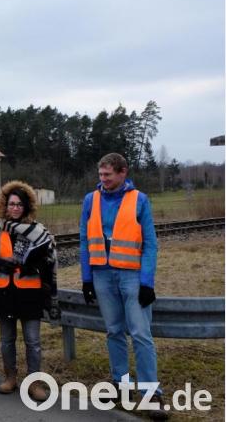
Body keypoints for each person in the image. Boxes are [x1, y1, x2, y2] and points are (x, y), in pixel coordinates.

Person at [80, 153, 166, 420]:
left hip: (131, 276)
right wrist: (86, 278)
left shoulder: (139, 200)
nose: (102, 180)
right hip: (102, 275)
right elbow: (84, 240)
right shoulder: (90, 200)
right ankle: (121, 384)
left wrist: (146, 282)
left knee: (140, 333)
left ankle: (151, 394)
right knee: (114, 331)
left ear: (122, 173)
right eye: (100, 175)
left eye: (108, 175)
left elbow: (151, 243)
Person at [0, 181, 61, 402]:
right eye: (11, 204)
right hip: (4, 292)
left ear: (27, 207)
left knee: (33, 342)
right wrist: (0, 264)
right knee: (7, 339)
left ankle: (34, 382)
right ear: (5, 206)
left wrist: (32, 267)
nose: (15, 208)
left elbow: (48, 261)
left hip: (29, 293)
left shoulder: (38, 231)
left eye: (19, 205)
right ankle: (10, 378)